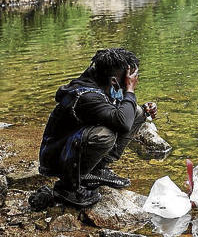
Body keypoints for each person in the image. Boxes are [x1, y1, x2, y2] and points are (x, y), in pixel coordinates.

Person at [38, 48, 157, 207]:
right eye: (130, 77)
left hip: (70, 147)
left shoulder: (101, 78)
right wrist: (130, 90)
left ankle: (95, 169)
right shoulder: (87, 95)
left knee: (137, 112)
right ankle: (67, 188)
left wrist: (140, 107)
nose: (134, 79)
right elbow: (122, 123)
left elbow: (119, 111)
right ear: (114, 80)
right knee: (105, 134)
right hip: (55, 160)